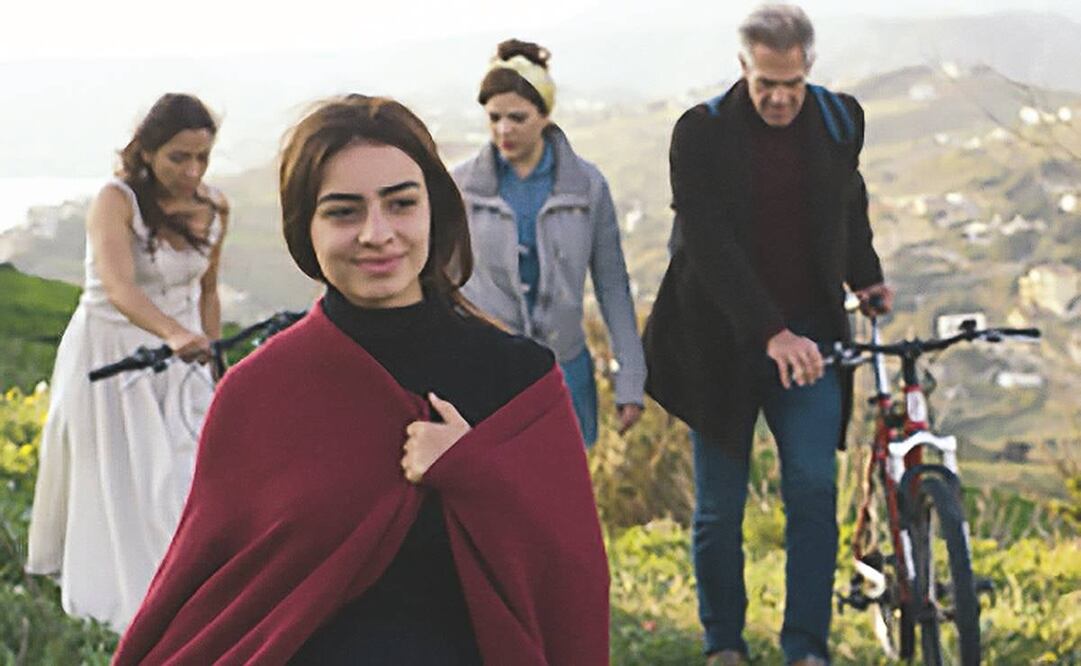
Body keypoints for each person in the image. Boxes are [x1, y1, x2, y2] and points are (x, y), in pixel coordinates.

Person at [112, 95, 610, 665]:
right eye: (344, 212)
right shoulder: (260, 393)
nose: (377, 234)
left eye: (400, 204)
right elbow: (209, 605)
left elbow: (568, 579)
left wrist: (476, 471)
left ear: (435, 211)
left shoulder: (519, 378)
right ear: (307, 227)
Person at [642, 5, 894, 665]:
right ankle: (723, 643)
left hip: (809, 340)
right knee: (719, 508)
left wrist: (865, 278)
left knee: (812, 488)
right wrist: (768, 332)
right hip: (718, 340)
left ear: (808, 67)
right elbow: (708, 244)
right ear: (742, 68)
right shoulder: (698, 132)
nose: (778, 98)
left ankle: (804, 646)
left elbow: (848, 207)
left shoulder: (840, 120)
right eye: (764, 84)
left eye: (789, 82)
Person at [25, 93, 228, 633]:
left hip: (183, 358)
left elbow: (207, 290)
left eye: (202, 158)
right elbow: (118, 286)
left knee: (187, 470)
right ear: (148, 152)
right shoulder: (115, 200)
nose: (192, 171)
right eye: (178, 158)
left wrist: (211, 353)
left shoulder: (215, 207)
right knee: (123, 476)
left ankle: (191, 583)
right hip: (113, 352)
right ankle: (129, 595)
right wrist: (172, 334)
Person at [453, 39, 646, 446]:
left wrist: (630, 378)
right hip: (484, 372)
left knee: (564, 497)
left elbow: (612, 286)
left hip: (566, 374)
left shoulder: (586, 188)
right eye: (494, 118)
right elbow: (442, 282)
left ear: (544, 116)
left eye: (518, 118)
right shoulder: (460, 188)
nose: (504, 130)